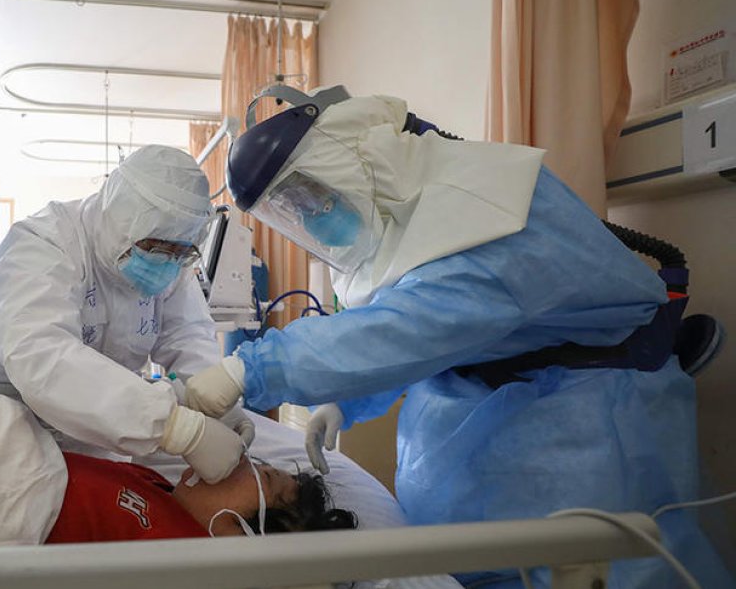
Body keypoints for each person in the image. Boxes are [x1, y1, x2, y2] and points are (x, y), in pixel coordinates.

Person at [184, 94, 732, 587]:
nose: (310, 217)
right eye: (293, 210)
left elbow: (407, 327)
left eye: (310, 197)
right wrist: (346, 401)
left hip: (584, 428)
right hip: (493, 416)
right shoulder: (412, 226)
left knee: (610, 567)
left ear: (356, 164)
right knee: (468, 566)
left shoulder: (490, 224)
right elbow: (420, 328)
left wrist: (248, 371)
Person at [0, 145, 250, 485]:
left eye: (181, 252)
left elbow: (185, 336)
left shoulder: (171, 262)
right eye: (156, 248)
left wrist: (217, 406)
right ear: (116, 218)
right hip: (9, 426)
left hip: (104, 426)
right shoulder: (42, 245)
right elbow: (43, 358)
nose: (168, 261)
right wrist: (175, 427)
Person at [47, 453, 356, 543]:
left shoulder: (182, 561)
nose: (242, 460)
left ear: (244, 533)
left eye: (263, 475)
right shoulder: (161, 488)